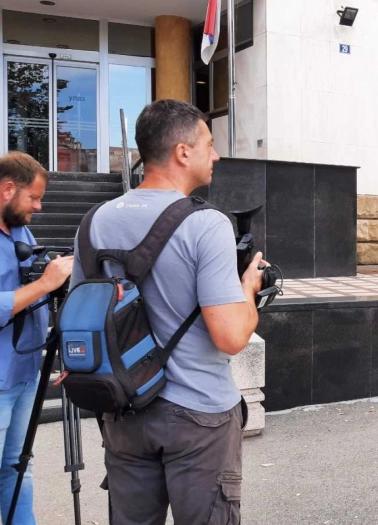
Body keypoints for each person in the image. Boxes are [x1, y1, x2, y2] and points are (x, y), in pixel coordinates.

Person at [69, 100, 264, 524]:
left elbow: (80, 314)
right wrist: (248, 290)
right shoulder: (206, 224)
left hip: (122, 408)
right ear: (182, 152)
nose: (215, 155)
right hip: (198, 413)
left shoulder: (93, 221)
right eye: (209, 144)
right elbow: (231, 336)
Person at [0, 152, 74, 525]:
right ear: (7, 190)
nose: (39, 206)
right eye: (33, 197)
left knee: (18, 466)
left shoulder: (20, 231)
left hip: (26, 371)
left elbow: (37, 290)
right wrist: (46, 283)